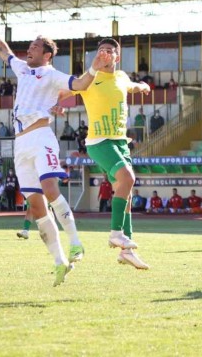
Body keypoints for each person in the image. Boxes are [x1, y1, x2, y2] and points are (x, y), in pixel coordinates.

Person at [0, 8, 111, 285]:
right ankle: (60, 261)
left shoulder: (52, 75)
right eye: (30, 45)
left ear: (47, 55)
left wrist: (94, 68)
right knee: (37, 207)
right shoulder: (22, 68)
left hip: (40, 137)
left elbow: (80, 84)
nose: (30, 48)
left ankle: (76, 242)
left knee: (50, 190)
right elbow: (1, 48)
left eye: (36, 46)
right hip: (20, 144)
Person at [66, 37, 151, 270]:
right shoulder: (90, 78)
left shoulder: (121, 77)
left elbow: (131, 85)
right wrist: (56, 103)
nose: (104, 53)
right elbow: (68, 89)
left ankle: (127, 251)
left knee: (127, 194)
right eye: (101, 50)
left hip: (120, 142)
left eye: (109, 51)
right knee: (128, 179)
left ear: (117, 57)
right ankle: (115, 233)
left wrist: (142, 86)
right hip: (99, 141)